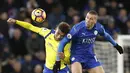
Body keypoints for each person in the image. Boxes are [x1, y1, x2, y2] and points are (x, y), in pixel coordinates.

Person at [57, 10, 123, 73]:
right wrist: (58, 60)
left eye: (91, 19)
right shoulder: (77, 29)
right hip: (77, 56)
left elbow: (106, 35)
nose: (88, 20)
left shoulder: (98, 28)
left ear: (95, 21)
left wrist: (116, 45)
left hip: (89, 56)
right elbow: (63, 42)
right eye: (87, 17)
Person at [7, 18, 71, 73]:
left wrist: (64, 57)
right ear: (56, 29)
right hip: (48, 69)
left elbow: (69, 62)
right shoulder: (47, 33)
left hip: (61, 69)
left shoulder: (66, 43)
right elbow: (30, 27)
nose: (58, 36)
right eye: (58, 33)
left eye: (62, 36)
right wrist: (16, 21)